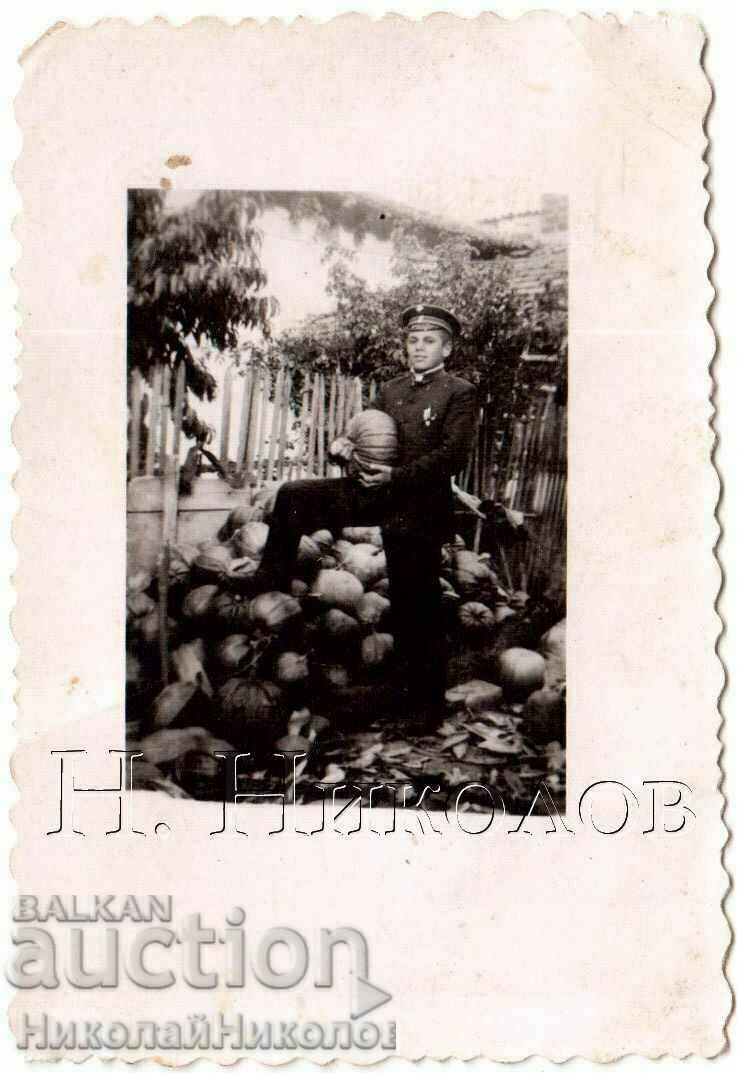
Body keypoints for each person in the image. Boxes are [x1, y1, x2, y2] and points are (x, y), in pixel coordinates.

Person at [246, 303, 478, 730]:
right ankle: (268, 586)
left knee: (415, 604)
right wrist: (343, 447)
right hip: (375, 491)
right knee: (295, 494)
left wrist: (396, 475)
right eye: (413, 340)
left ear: (446, 348)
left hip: (419, 504)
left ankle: (425, 707)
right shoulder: (390, 390)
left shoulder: (458, 392)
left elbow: (453, 456)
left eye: (429, 341)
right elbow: (365, 431)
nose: (419, 348)